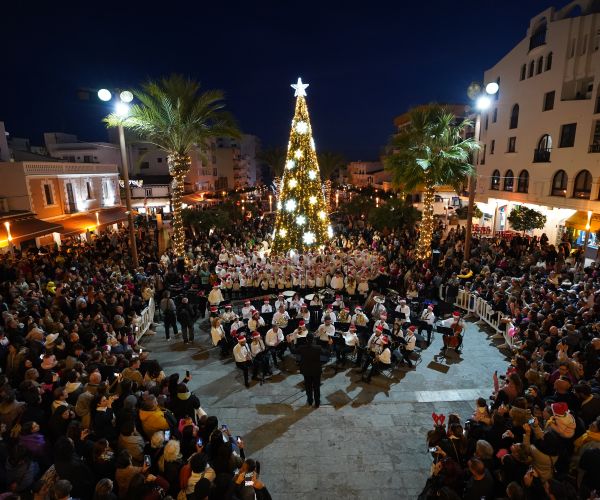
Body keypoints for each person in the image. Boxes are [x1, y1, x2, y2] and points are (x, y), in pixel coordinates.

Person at [296, 333, 322, 408]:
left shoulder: (301, 347)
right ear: (313, 339)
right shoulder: (318, 347)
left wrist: (289, 343)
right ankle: (317, 403)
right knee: (316, 387)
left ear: (306, 339)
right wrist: (330, 345)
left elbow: (293, 351)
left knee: (308, 387)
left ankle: (310, 401)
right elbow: (327, 353)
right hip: (316, 371)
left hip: (306, 370)